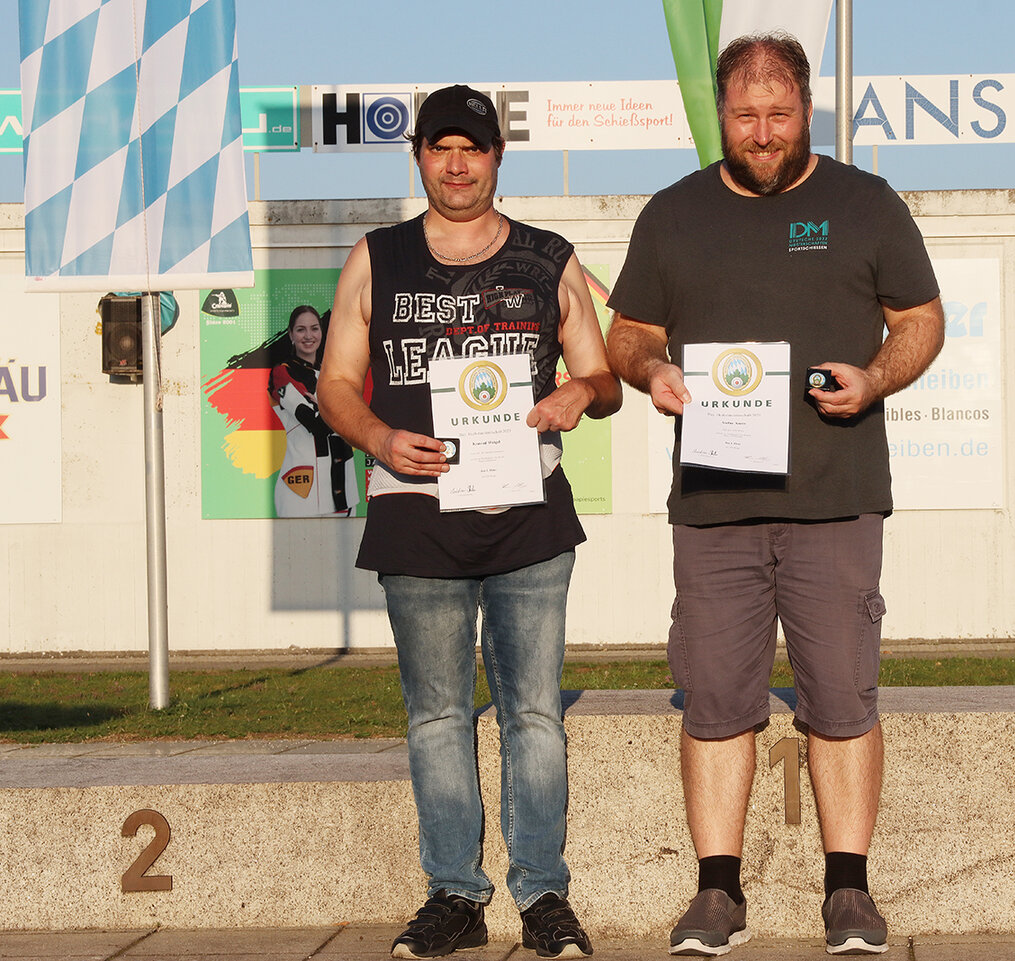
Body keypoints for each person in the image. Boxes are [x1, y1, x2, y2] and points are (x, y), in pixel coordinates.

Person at [606, 32, 944, 958]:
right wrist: (651, 370)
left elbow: (921, 320)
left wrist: (875, 378)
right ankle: (718, 891)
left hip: (837, 499)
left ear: (807, 110)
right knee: (716, 699)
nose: (763, 133)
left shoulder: (866, 204)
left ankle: (849, 890)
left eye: (780, 115)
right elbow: (627, 331)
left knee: (842, 696)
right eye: (746, 116)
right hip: (715, 507)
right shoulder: (673, 215)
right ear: (721, 113)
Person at [317, 84, 621, 961]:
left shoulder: (548, 257)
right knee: (437, 717)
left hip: (528, 515)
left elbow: (604, 378)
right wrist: (379, 437)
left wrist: (578, 393)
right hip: (415, 516)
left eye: (472, 148)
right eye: (440, 148)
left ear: (496, 157)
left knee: (535, 714)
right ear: (418, 155)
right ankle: (455, 892)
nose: (456, 165)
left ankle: (542, 891)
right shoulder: (377, 257)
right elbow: (335, 383)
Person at [270, 305, 358, 517]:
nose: (308, 336)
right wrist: (338, 407)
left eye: (314, 328)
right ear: (291, 334)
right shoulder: (283, 372)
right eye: (301, 329)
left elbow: (355, 419)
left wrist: (322, 404)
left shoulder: (334, 372)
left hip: (344, 490)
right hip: (302, 490)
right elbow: (316, 424)